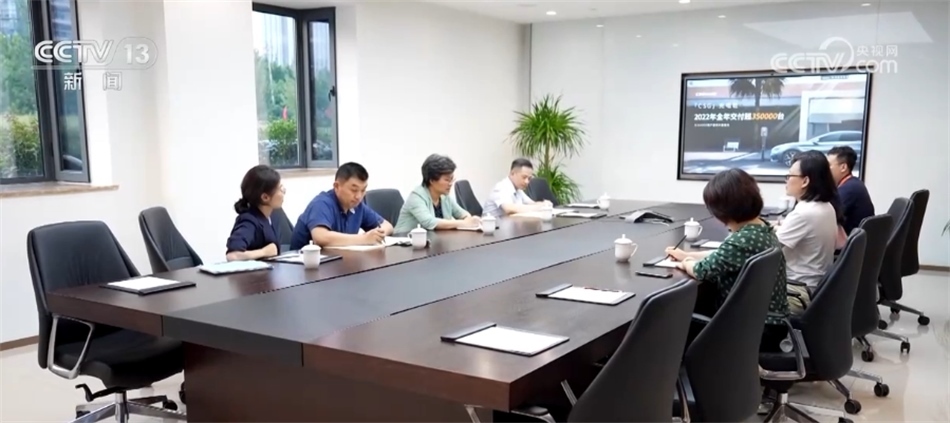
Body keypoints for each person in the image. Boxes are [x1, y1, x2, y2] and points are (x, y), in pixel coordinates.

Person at [665, 168, 790, 352]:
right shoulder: (760, 228)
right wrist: (687, 255)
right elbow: (724, 255)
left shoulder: (742, 239)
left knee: (671, 323)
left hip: (753, 328)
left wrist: (685, 263)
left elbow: (701, 271)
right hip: (768, 321)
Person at [779, 151, 840, 313]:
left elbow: (767, 250)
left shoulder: (803, 213)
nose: (786, 180)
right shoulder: (826, 207)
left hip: (796, 291)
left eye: (790, 175)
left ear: (805, 181)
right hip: (816, 288)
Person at [289, 162, 393, 249]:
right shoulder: (322, 203)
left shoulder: (358, 206)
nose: (359, 196)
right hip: (304, 264)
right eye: (354, 190)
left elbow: (387, 226)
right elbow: (320, 237)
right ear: (337, 186)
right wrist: (364, 239)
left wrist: (378, 234)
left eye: (363, 190)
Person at [394, 154, 481, 234]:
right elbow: (430, 222)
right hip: (405, 241)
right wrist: (464, 223)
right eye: (447, 180)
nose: (450, 184)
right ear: (432, 180)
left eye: (451, 179)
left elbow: (463, 214)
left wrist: (469, 220)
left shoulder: (444, 196)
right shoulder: (416, 197)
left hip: (433, 241)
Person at [226, 165, 285, 261]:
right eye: (280, 189)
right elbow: (232, 256)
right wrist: (264, 252)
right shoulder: (249, 221)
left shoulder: (271, 216)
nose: (284, 192)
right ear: (265, 197)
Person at [482, 158, 552, 218]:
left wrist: (544, 204)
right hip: (494, 227)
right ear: (512, 174)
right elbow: (509, 209)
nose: (527, 182)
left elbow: (531, 203)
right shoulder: (501, 187)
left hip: (510, 225)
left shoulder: (518, 189)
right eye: (524, 177)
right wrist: (540, 207)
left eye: (529, 178)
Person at [827, 146, 874, 234]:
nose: (825, 170)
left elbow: (827, 216)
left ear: (843, 167)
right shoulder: (853, 183)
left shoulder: (848, 190)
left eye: (829, 165)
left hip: (849, 239)